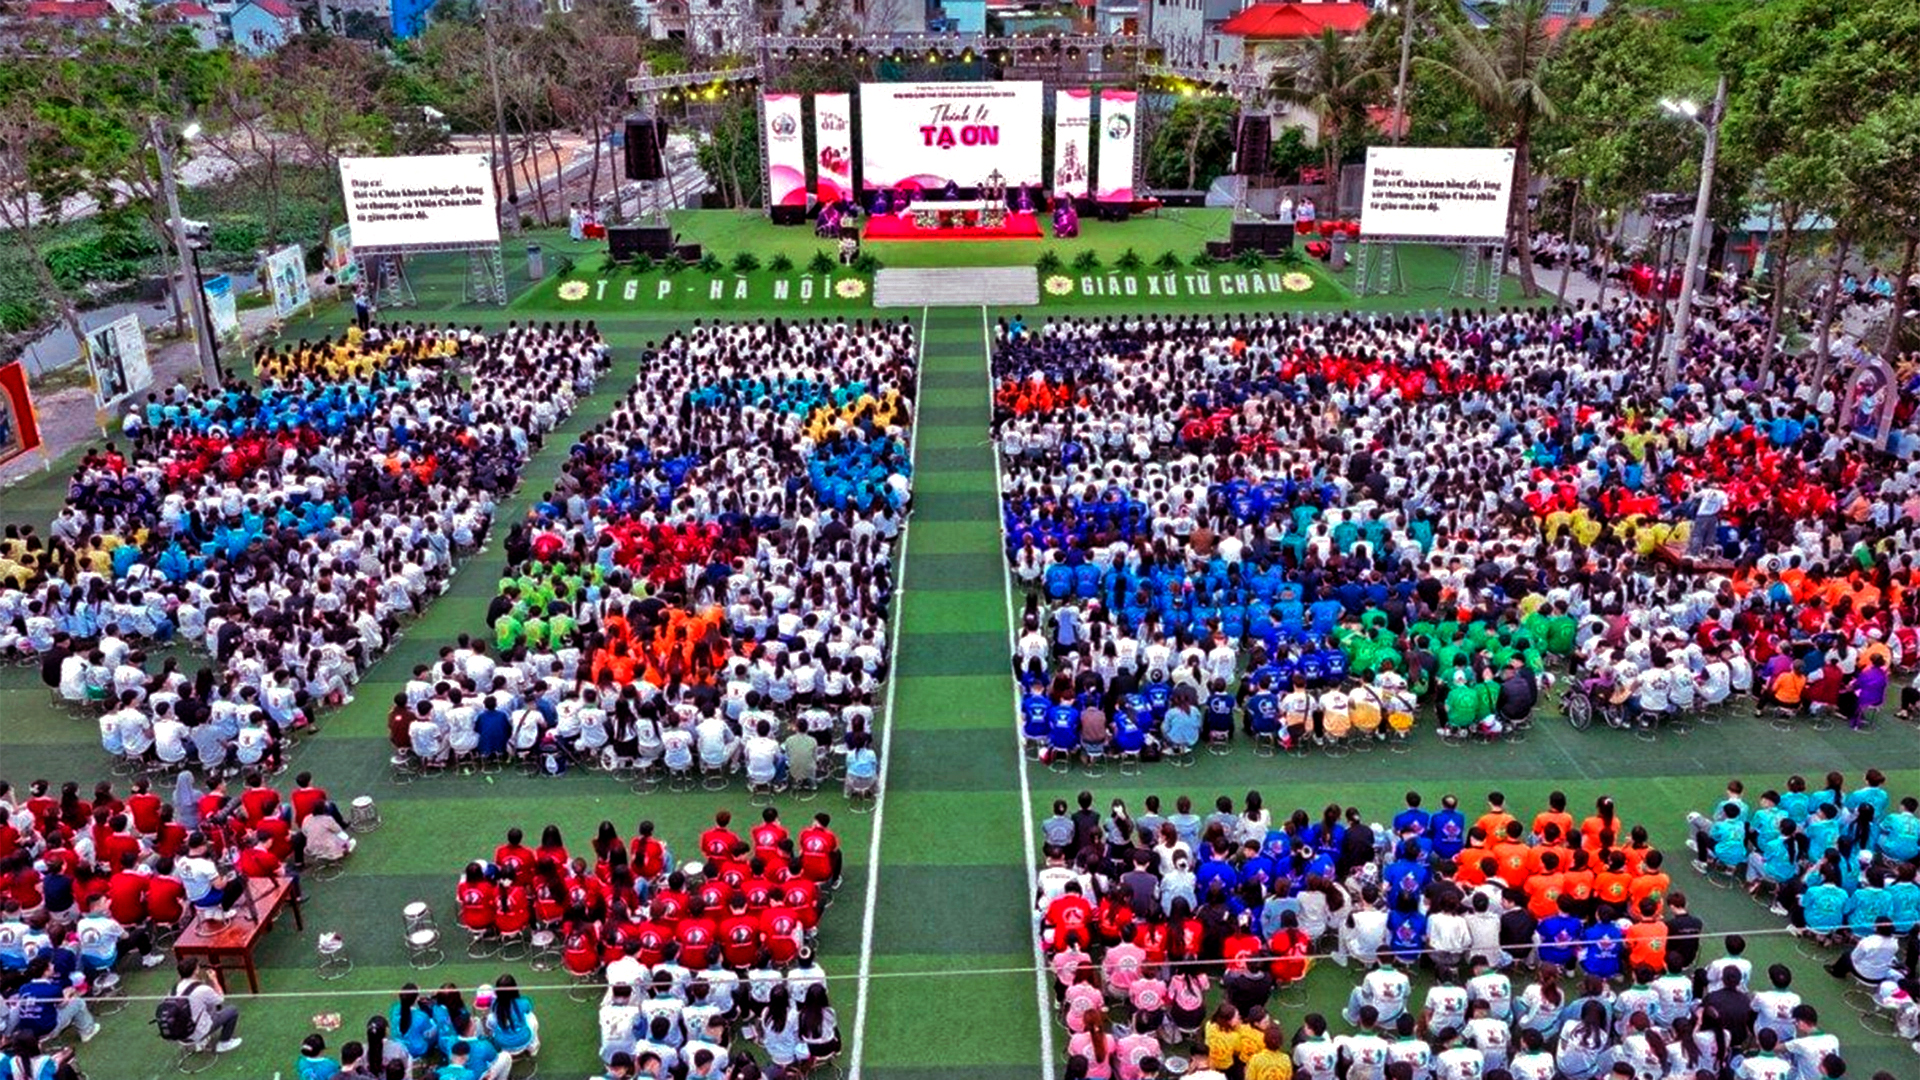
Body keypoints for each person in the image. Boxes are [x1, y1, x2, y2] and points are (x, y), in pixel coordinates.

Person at [172, 956, 242, 1052]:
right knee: (232, 1011)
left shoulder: (175, 988)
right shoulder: (202, 989)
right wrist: (214, 979)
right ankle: (224, 1043)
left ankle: (199, 1041)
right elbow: (220, 999)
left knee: (205, 1008)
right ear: (196, 971)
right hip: (197, 1032)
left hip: (180, 1033)